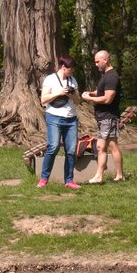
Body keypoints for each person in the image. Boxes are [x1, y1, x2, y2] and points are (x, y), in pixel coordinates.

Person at [38, 55, 81, 190]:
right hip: (54, 117)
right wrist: (59, 92)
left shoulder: (72, 80)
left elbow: (78, 101)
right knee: (53, 147)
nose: (72, 72)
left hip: (71, 119)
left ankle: (69, 180)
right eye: (71, 69)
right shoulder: (50, 80)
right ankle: (44, 178)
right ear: (63, 67)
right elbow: (43, 100)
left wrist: (72, 94)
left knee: (71, 150)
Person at [81, 50, 124, 184]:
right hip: (103, 117)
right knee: (108, 146)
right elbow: (102, 92)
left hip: (108, 116)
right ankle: (117, 175)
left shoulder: (112, 76)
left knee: (104, 146)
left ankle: (104, 176)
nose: (96, 64)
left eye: (97, 61)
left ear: (105, 60)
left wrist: (89, 99)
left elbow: (107, 99)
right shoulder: (106, 75)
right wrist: (92, 93)